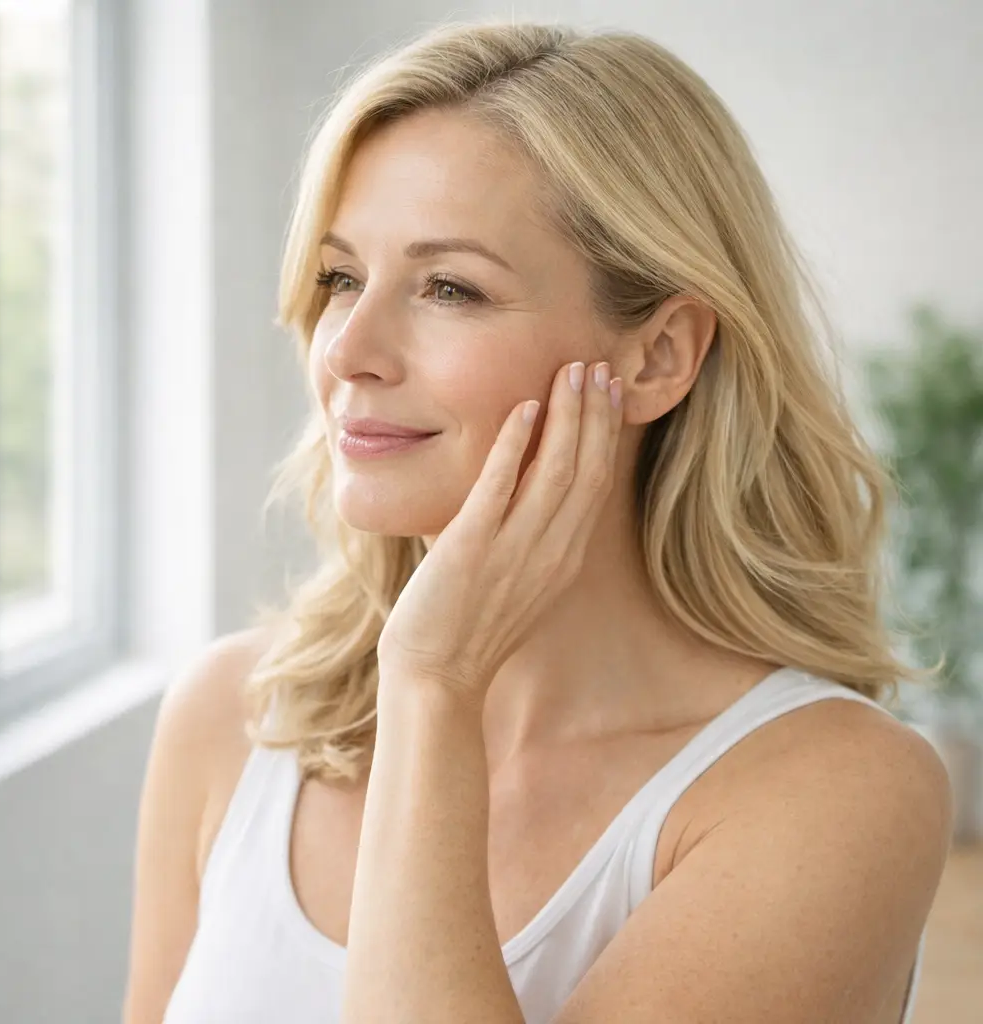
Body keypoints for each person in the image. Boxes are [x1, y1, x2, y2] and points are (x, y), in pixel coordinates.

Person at [122, 20, 954, 1024]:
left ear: (657, 357)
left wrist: (434, 688)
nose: (347, 350)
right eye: (341, 277)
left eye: (449, 288)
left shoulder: (834, 793)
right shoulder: (231, 716)